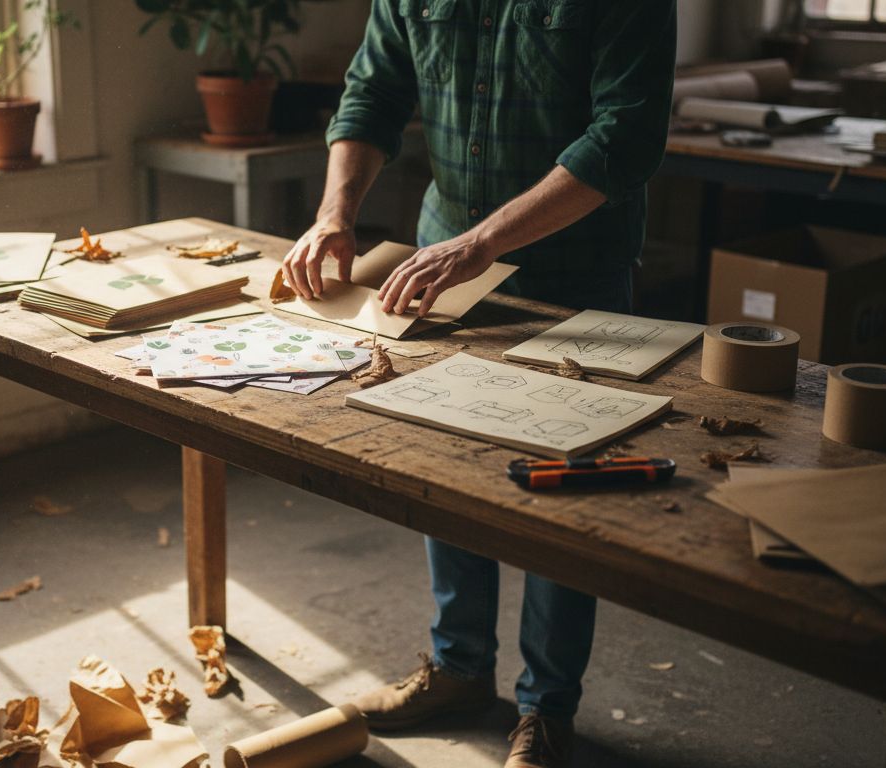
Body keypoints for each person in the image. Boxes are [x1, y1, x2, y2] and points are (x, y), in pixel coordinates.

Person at [282, 1, 676, 766]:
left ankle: (547, 708)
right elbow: (374, 91)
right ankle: (460, 668)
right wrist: (336, 212)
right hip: (447, 269)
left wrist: (482, 242)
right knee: (448, 468)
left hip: (577, 272)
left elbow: (626, 136)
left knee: (564, 489)